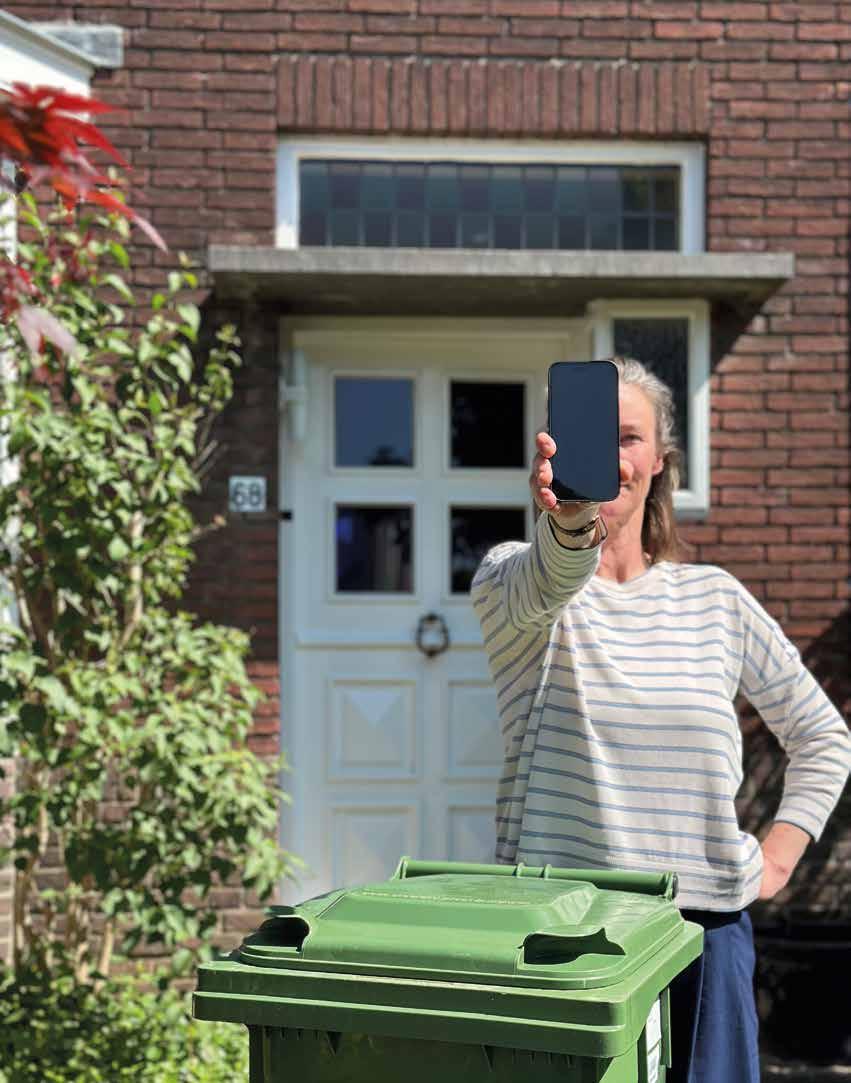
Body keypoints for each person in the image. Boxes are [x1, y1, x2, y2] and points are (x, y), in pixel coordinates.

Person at [470, 356, 851, 1083]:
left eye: (629, 437)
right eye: (591, 436)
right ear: (550, 455)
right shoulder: (511, 584)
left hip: (706, 934)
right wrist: (570, 524)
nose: (611, 456)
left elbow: (822, 736)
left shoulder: (715, 600)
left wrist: (776, 857)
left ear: (658, 462)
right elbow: (553, 574)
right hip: (562, 933)